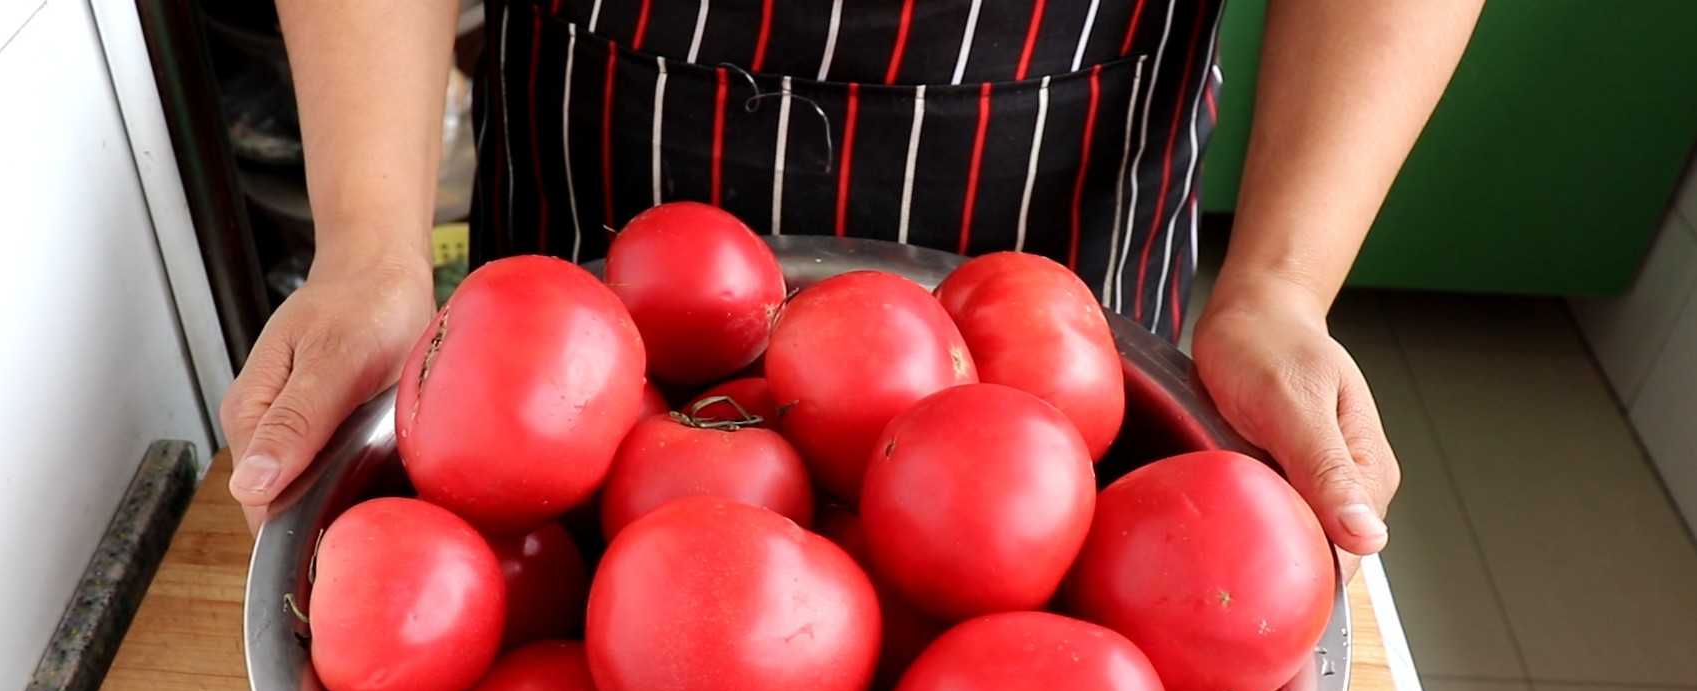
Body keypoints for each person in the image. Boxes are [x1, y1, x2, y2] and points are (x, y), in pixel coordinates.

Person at [222, 0, 1485, 569]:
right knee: (543, 553)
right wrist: (371, 241)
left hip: (1062, 206)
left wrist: (1280, 284)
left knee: (1056, 547)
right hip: (601, 177)